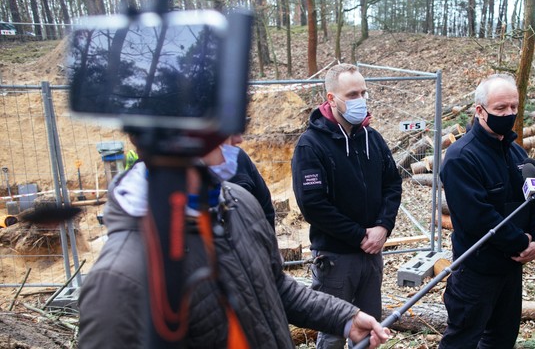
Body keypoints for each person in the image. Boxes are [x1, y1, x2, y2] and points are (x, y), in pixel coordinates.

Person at [79, 142, 390, 349]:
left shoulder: (237, 202)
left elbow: (275, 286)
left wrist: (345, 318)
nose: (236, 136)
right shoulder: (120, 278)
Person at [291, 63, 403, 349]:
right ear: (332, 99)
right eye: (352, 94)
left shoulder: (373, 139)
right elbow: (313, 205)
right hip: (335, 258)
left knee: (369, 333)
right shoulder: (311, 145)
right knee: (332, 333)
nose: (361, 99)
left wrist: (382, 227)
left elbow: (392, 184)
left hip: (372, 256)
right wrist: (359, 235)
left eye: (363, 92)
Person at [438, 74, 535, 348]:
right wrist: (522, 243)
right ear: (479, 110)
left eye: (513, 107)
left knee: (502, 340)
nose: (508, 114)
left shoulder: (517, 154)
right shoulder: (461, 157)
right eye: (500, 108)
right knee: (462, 340)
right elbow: (477, 217)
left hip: (511, 270)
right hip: (476, 270)